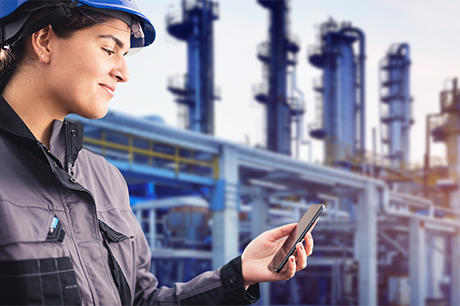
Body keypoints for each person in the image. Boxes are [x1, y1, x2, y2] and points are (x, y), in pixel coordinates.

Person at [0, 0, 315, 305]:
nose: (124, 73)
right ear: (44, 41)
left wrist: (238, 274)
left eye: (125, 54)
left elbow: (142, 301)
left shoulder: (104, 179)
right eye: (109, 49)